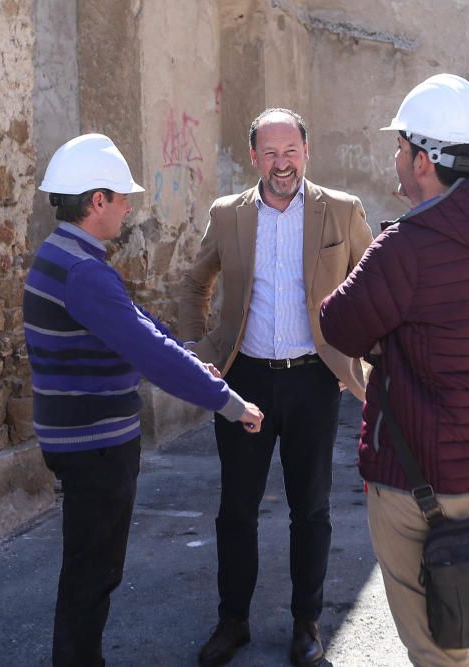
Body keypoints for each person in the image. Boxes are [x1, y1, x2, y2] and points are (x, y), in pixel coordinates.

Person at [24, 134, 264, 667]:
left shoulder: (62, 256)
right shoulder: (84, 272)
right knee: (93, 573)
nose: (130, 205)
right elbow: (145, 350)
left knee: (89, 567)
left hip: (76, 438)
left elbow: (136, 326)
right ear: (96, 202)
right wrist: (228, 401)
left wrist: (185, 352)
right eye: (121, 196)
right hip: (97, 445)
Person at [320, 73, 469, 667]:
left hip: (421, 479)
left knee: (436, 644)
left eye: (400, 146)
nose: (394, 157)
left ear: (423, 160)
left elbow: (339, 324)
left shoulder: (405, 246)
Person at [179, 108, 373, 667]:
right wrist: (200, 353)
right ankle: (232, 621)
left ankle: (306, 623)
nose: (281, 163)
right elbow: (196, 285)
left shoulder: (341, 210)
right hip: (245, 381)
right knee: (236, 508)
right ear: (254, 157)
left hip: (314, 379)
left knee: (310, 508)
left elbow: (371, 286)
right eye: (270, 153)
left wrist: (361, 357)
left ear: (306, 152)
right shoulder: (229, 215)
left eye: (290, 152)